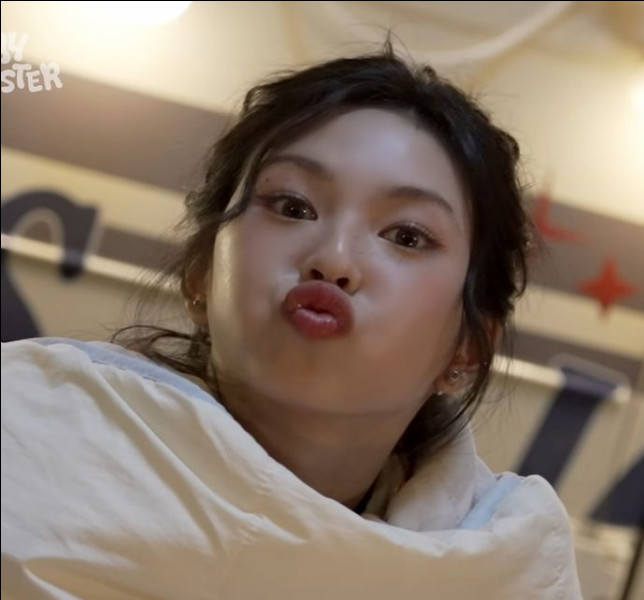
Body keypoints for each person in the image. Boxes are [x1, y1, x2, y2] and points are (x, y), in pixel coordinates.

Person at [1, 44, 582, 598]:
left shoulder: (508, 565)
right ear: (201, 276)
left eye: (406, 236)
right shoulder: (27, 427)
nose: (333, 259)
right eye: (292, 206)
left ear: (467, 349)